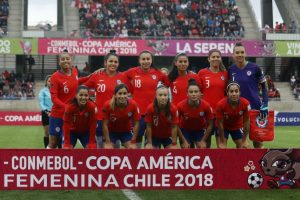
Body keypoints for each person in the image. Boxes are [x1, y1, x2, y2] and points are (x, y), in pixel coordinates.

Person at [82, 50, 131, 148]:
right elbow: (82, 89)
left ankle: (115, 163)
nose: (113, 64)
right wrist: (90, 103)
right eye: (111, 61)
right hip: (100, 117)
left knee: (115, 146)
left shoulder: (123, 77)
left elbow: (130, 93)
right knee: (101, 146)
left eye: (115, 62)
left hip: (117, 118)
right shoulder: (97, 75)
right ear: (105, 63)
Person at [228, 42, 268, 148]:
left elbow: (264, 86)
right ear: (233, 55)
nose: (240, 54)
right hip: (239, 112)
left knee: (258, 143)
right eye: (237, 52)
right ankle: (243, 164)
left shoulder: (255, 68)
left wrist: (265, 103)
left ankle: (260, 164)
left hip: (255, 109)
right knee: (242, 144)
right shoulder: (231, 70)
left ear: (245, 54)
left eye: (242, 52)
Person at [125, 50, 168, 148]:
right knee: (137, 137)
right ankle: (137, 157)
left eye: (148, 59)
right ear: (139, 60)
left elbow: (168, 82)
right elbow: (120, 77)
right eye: (143, 59)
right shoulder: (132, 72)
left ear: (151, 60)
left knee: (153, 138)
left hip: (154, 112)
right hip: (138, 113)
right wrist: (131, 90)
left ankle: (150, 159)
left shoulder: (157, 73)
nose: (146, 61)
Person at [48, 50, 79, 149]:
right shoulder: (55, 77)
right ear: (59, 62)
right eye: (63, 59)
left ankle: (63, 164)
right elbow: (54, 98)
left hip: (72, 115)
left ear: (71, 60)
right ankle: (45, 162)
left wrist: (92, 76)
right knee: (53, 143)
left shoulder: (74, 71)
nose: (65, 61)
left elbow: (77, 83)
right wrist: (67, 107)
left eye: (67, 59)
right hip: (58, 114)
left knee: (66, 144)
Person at [198, 49, 228, 148]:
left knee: (221, 145)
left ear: (221, 59)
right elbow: (198, 93)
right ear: (208, 59)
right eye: (213, 57)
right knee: (205, 146)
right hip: (206, 115)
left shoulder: (225, 73)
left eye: (218, 56)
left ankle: (221, 163)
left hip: (220, 114)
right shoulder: (202, 73)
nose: (216, 58)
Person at [177, 79, 214, 148]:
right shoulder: (180, 106)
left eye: (196, 92)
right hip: (185, 130)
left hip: (199, 130)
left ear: (200, 93)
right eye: (191, 92)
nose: (193, 94)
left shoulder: (206, 106)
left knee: (202, 147)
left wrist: (203, 140)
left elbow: (211, 124)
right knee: (186, 148)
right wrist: (184, 141)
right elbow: (175, 124)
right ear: (187, 93)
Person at [102, 84, 140, 149]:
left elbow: (137, 124)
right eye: (120, 93)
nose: (122, 96)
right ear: (115, 95)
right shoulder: (107, 105)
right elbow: (104, 125)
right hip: (111, 132)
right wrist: (108, 142)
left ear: (128, 94)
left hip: (126, 132)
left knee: (133, 149)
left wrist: (133, 142)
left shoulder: (133, 105)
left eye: (125, 93)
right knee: (108, 149)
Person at [144, 84, 181, 149]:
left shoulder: (173, 109)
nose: (163, 97)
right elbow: (148, 126)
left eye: (165, 95)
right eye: (160, 95)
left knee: (173, 151)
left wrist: (174, 144)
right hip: (153, 136)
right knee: (149, 150)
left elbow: (174, 127)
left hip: (167, 136)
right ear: (156, 96)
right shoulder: (150, 108)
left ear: (168, 96)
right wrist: (149, 143)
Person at [216, 82, 250, 148]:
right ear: (227, 93)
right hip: (224, 127)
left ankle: (238, 158)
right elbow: (220, 124)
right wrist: (222, 141)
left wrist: (244, 140)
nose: (234, 94)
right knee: (222, 148)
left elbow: (246, 123)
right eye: (231, 91)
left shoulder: (245, 103)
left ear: (239, 92)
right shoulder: (220, 105)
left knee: (245, 147)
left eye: (236, 91)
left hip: (237, 126)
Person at [38, 75, 52, 148]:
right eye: (49, 81)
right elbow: (41, 103)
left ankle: (60, 149)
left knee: (57, 132)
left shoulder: (56, 90)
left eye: (52, 81)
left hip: (56, 113)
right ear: (46, 82)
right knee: (47, 133)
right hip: (46, 113)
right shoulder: (42, 91)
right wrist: (47, 111)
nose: (50, 82)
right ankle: (46, 149)